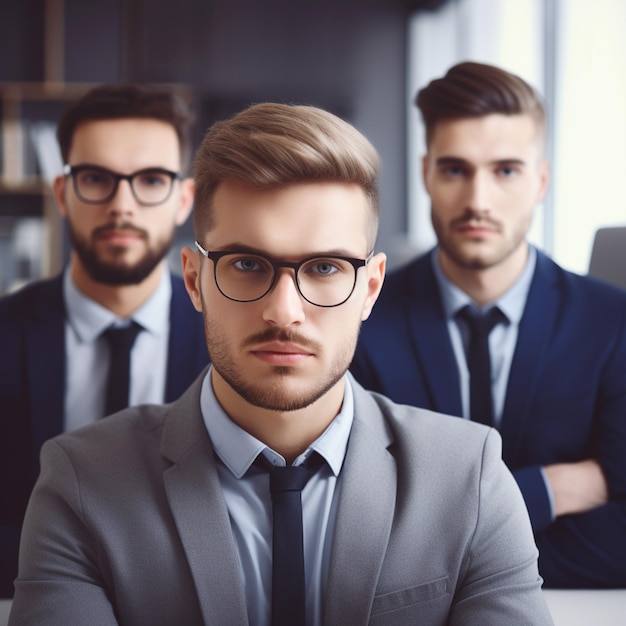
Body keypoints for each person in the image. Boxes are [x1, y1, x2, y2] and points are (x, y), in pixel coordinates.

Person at [8, 102, 552, 625]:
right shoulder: (80, 483)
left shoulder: (470, 479)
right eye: (247, 263)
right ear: (195, 279)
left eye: (324, 267)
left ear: (371, 286)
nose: (283, 312)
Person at [351, 61, 626, 588]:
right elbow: (358, 529)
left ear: (541, 180)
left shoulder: (611, 324)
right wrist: (551, 489)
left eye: (505, 170)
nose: (478, 201)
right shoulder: (363, 320)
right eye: (456, 169)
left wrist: (443, 550)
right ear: (426, 172)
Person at [0, 84, 210, 597]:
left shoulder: (230, 340)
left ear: (184, 199)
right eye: (95, 178)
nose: (122, 205)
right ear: (62, 194)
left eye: (151, 180)